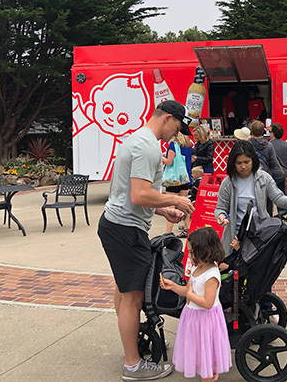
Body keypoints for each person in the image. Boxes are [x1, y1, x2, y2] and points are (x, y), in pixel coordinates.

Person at [97, 100, 194, 381]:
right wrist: (175, 198)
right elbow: (139, 195)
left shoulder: (139, 141)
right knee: (133, 296)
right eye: (178, 125)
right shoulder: (147, 146)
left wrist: (164, 209)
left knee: (124, 288)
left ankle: (132, 344)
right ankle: (133, 364)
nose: (177, 133)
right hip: (125, 229)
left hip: (120, 226)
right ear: (167, 118)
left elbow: (133, 193)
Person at [160, 227, 231, 381]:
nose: (189, 255)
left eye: (192, 252)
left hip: (205, 320)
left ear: (204, 251)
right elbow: (188, 290)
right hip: (192, 316)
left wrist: (191, 294)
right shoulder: (197, 268)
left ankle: (208, 377)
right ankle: (208, 375)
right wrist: (173, 286)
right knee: (198, 352)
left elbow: (207, 303)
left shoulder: (212, 274)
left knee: (206, 355)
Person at [214, 140, 287, 256]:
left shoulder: (264, 178)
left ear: (253, 160)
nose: (243, 166)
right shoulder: (228, 182)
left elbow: (279, 199)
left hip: (259, 236)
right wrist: (221, 216)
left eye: (247, 162)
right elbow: (220, 208)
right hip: (234, 236)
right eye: (239, 163)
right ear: (233, 163)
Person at [247, 121, 286, 212]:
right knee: (268, 202)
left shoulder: (247, 144)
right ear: (263, 131)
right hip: (266, 176)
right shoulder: (269, 145)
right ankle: (268, 223)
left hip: (251, 177)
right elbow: (274, 164)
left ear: (251, 131)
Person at [162, 132, 193, 234]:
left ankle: (167, 233)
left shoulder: (173, 145)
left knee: (170, 207)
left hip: (174, 181)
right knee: (184, 206)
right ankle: (189, 229)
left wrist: (160, 157)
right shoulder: (188, 145)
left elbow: (169, 162)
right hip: (185, 179)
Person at [269, 123, 287, 193]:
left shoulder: (268, 145)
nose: (269, 134)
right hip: (283, 175)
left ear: (273, 133)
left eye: (270, 132)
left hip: (270, 174)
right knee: (281, 196)